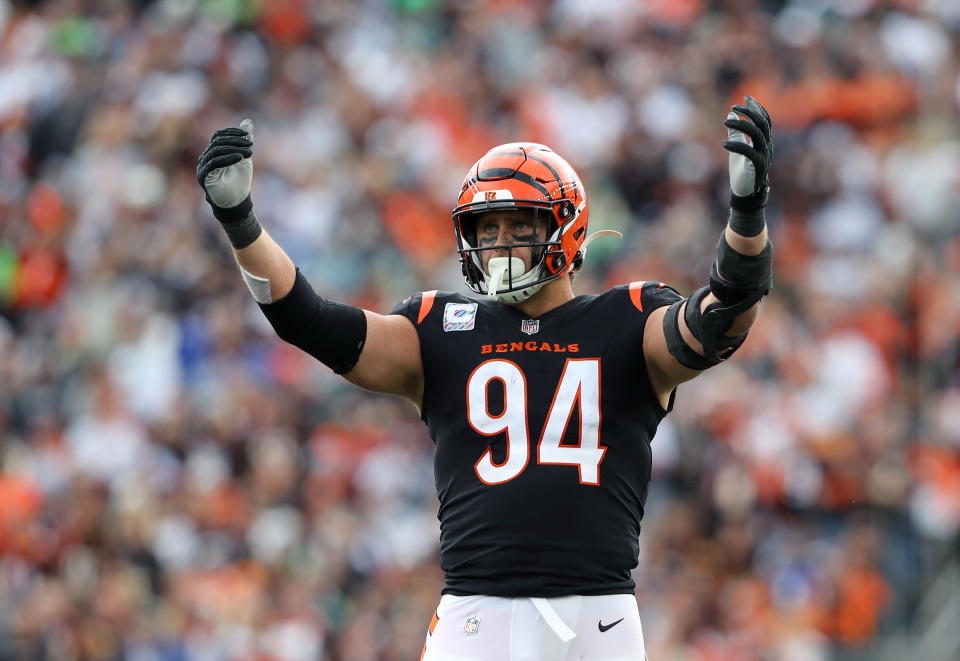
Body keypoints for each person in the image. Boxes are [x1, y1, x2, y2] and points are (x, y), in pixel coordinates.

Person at [196, 96, 774, 661]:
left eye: (517, 226)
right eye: (487, 228)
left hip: (598, 613)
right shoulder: (441, 328)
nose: (498, 244)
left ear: (564, 228)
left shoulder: (627, 318)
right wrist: (241, 223)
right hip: (476, 614)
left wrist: (746, 217)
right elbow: (309, 322)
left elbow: (721, 319)